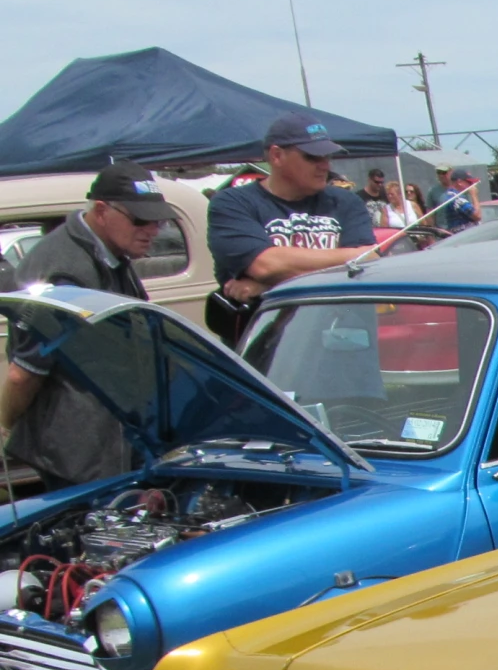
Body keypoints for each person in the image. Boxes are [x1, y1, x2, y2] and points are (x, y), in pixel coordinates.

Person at [0, 162, 179, 489]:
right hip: (79, 454)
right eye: (141, 219)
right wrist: (6, 426)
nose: (153, 230)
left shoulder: (112, 253)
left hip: (116, 442)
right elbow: (23, 372)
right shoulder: (63, 271)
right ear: (101, 210)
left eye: (159, 220)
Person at [206, 113, 377, 310]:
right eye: (312, 156)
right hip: (268, 335)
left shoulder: (345, 201)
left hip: (341, 331)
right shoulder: (233, 203)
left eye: (327, 156)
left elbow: (367, 262)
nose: (325, 165)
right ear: (277, 156)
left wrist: (268, 286)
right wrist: (345, 261)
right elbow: (266, 265)